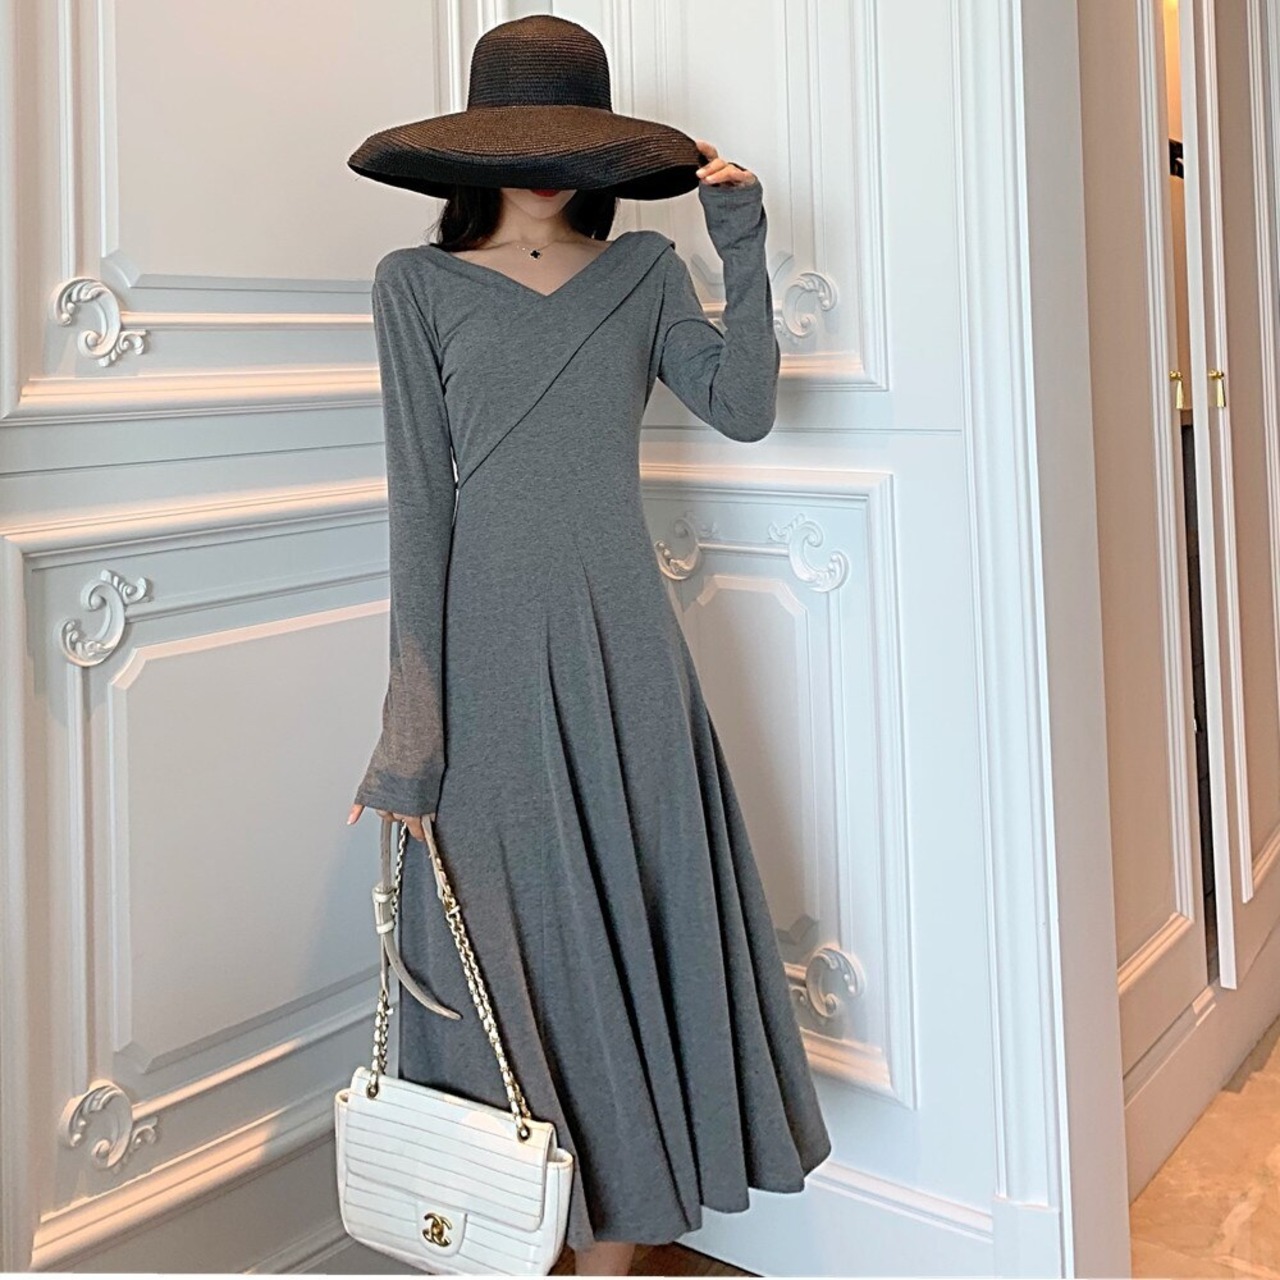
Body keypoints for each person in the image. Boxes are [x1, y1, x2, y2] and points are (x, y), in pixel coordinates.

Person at [345, 15, 832, 1276]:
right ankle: (514, 1239)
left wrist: (739, 236)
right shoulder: (414, 286)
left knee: (633, 935)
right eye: (523, 145)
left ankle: (615, 1252)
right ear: (476, 154)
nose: (547, 170)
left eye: (570, 145)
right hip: (487, 662)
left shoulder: (646, 273)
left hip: (626, 655)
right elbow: (420, 511)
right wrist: (409, 741)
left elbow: (744, 407)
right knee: (504, 957)